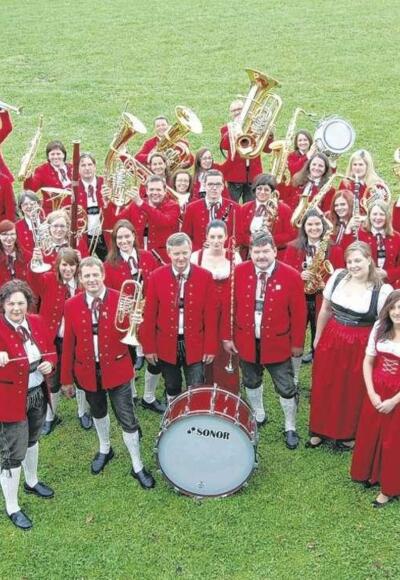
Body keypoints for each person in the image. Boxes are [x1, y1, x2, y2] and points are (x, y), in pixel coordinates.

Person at [61, 256, 154, 489]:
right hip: (87, 371)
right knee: (98, 411)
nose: (92, 279)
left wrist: (138, 322)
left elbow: (136, 336)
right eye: (87, 276)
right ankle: (105, 448)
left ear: (103, 275)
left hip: (118, 369)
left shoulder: (122, 298)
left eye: (95, 274)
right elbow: (69, 343)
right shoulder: (71, 305)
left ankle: (137, 465)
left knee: (127, 418)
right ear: (80, 278)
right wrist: (66, 379)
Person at [222, 231, 307, 449]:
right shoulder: (238, 272)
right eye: (256, 252)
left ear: (275, 251)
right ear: (250, 252)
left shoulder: (291, 276)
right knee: (251, 381)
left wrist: (297, 344)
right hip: (246, 341)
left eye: (265, 251)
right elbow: (230, 307)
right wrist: (228, 337)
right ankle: (258, 414)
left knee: (286, 387)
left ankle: (290, 426)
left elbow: (299, 314)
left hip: (278, 344)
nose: (261, 256)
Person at [308, 241, 393, 450]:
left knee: (352, 387)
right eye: (349, 261)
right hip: (332, 335)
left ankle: (347, 433)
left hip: (360, 342)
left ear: (369, 260)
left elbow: (385, 324)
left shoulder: (382, 290)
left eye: (358, 260)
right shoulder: (338, 277)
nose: (353, 265)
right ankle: (318, 429)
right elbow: (325, 310)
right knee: (324, 382)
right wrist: (318, 337)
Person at [0, 279, 56, 530]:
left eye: (20, 303)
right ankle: (12, 506)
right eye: (11, 303)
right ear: (3, 305)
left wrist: (50, 364)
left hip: (37, 393)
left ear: (28, 303)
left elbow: (51, 351)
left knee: (33, 439)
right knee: (13, 453)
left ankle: (31, 482)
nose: (16, 308)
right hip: (9, 400)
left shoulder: (37, 321)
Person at [140, 232, 218, 402]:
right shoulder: (156, 276)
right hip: (166, 343)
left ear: (191, 251)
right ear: (169, 253)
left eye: (185, 252)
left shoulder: (205, 276)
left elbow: (211, 315)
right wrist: (149, 348)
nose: (181, 258)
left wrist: (210, 347)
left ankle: (193, 412)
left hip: (196, 342)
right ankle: (173, 413)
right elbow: (150, 315)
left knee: (196, 385)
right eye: (176, 253)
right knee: (172, 384)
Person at [27, 247, 92, 435]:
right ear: (58, 265)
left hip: (77, 340)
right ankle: (50, 416)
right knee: (51, 380)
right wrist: (35, 262)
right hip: (51, 341)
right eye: (64, 265)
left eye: (72, 265)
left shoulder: (82, 284)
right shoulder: (48, 279)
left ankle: (82, 411)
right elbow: (33, 281)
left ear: (77, 266)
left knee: (79, 376)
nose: (68, 269)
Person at [104, 220, 164, 412]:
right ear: (115, 240)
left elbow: (157, 282)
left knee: (155, 358)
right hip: (126, 318)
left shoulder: (147, 256)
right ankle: (132, 393)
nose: (124, 241)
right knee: (127, 359)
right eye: (119, 238)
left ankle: (149, 396)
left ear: (133, 236)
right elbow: (109, 294)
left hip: (150, 314)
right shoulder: (109, 264)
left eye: (127, 236)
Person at [351, 291, 400, 507]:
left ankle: (388, 488)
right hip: (377, 389)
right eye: (393, 307)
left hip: (397, 396)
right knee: (371, 432)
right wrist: (371, 393)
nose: (396, 312)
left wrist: (393, 401)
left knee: (393, 441)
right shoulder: (380, 327)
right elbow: (368, 361)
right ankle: (369, 473)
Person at [284, 209, 344, 367]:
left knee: (321, 336)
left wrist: (326, 285)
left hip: (323, 300)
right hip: (299, 299)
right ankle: (294, 373)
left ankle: (319, 370)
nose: (314, 228)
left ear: (323, 226)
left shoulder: (335, 248)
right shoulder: (292, 247)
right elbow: (285, 274)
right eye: (309, 224)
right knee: (295, 337)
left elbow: (340, 276)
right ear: (303, 227)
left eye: (317, 224)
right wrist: (299, 275)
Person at [191, 220, 241, 393]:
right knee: (205, 346)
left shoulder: (234, 256)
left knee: (226, 349)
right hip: (204, 311)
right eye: (212, 237)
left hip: (228, 310)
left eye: (220, 236)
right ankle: (204, 389)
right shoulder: (196, 257)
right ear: (206, 237)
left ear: (226, 237)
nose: (216, 241)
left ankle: (227, 389)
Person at [219, 99, 273, 203]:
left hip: (254, 175)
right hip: (234, 175)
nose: (237, 112)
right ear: (230, 114)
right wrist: (233, 131)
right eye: (234, 110)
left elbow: (267, 149)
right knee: (231, 205)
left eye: (240, 109)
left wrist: (269, 135)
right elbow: (224, 146)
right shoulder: (227, 128)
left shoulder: (256, 127)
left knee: (251, 206)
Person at [119, 174, 180, 264]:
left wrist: (142, 204)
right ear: (147, 191)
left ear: (165, 191)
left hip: (162, 259)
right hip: (139, 256)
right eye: (151, 189)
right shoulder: (135, 204)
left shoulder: (173, 206)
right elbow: (117, 222)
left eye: (158, 190)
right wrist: (106, 205)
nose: (155, 193)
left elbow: (165, 222)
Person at [238, 173, 296, 259]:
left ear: (272, 192)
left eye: (266, 190)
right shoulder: (245, 208)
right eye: (259, 189)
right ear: (254, 190)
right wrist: (251, 240)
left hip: (275, 255)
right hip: (248, 254)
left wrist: (268, 241)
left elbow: (290, 235)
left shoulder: (284, 209)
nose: (262, 192)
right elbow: (239, 233)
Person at [343, 201, 400, 286]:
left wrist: (387, 273)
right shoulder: (360, 234)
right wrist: (348, 229)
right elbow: (346, 256)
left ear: (387, 216)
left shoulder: (396, 237)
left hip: (389, 285)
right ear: (369, 216)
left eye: (382, 214)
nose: (378, 217)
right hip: (364, 284)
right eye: (374, 214)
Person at [182, 169, 239, 251]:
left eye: (218, 184)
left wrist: (224, 247)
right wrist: (200, 248)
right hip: (199, 255)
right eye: (210, 184)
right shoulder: (191, 208)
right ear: (204, 186)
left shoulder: (235, 208)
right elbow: (185, 237)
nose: (214, 188)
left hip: (225, 255)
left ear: (223, 186)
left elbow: (239, 237)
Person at [23, 140, 72, 215]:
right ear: (48, 156)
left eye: (58, 154)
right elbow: (30, 190)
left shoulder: (73, 168)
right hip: (51, 214)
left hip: (71, 212)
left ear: (64, 155)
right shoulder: (42, 170)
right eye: (52, 154)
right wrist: (28, 177)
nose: (55, 157)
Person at [76, 153, 110, 261]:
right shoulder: (73, 188)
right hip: (84, 236)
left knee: (110, 263)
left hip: (105, 234)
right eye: (83, 165)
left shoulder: (106, 184)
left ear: (95, 166)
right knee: (82, 264)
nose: (87, 168)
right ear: (78, 169)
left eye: (90, 164)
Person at [0, 220, 30, 284]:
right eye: (4, 234)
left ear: (16, 235)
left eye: (12, 234)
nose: (9, 238)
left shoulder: (28, 256)